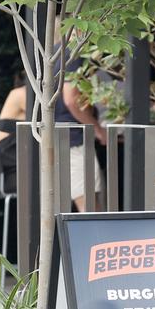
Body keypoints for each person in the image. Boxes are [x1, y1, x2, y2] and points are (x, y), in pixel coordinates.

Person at [57, 44, 106, 211]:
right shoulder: (74, 54)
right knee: (88, 206)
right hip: (75, 139)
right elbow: (71, 99)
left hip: (60, 138)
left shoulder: (57, 51)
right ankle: (97, 238)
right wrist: (98, 129)